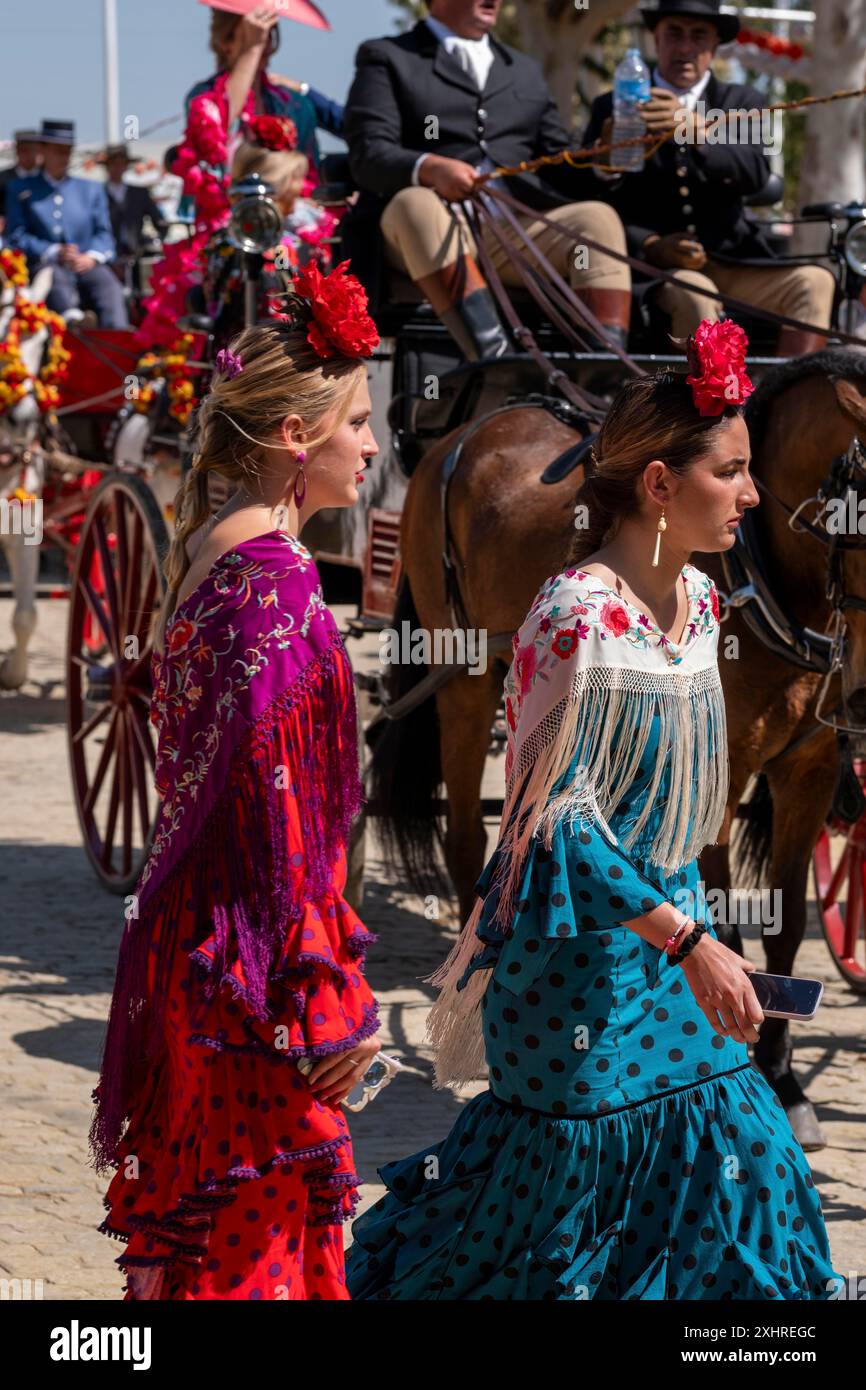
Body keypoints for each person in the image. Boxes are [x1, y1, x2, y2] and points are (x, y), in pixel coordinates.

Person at [346, 319, 842, 1300]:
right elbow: (557, 827)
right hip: (578, 974)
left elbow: (679, 809)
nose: (752, 494)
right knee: (554, 1238)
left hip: (672, 963)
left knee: (743, 1177)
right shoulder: (574, 614)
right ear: (658, 486)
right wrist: (693, 942)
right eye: (730, 471)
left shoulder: (701, 607)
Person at [90, 262, 382, 1300]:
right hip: (247, 973)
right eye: (358, 421)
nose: (374, 443)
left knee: (197, 1236)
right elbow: (282, 827)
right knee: (255, 1249)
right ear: (298, 438)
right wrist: (324, 999)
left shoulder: (218, 554)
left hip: (195, 949)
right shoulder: (281, 584)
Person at [343, 0, 633, 360]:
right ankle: (496, 363)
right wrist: (431, 168)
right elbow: (368, 154)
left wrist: (601, 161)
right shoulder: (388, 57)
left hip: (508, 232)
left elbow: (559, 160)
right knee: (417, 204)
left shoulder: (523, 69)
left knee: (596, 219)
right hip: (417, 236)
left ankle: (604, 372)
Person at [581, 1, 835, 356]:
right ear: (656, 38)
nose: (685, 47)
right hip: (655, 268)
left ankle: (783, 402)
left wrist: (693, 130)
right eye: (674, 33)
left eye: (699, 35)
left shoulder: (741, 101)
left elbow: (754, 172)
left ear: (715, 46)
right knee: (695, 292)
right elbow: (592, 199)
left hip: (734, 260)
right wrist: (651, 244)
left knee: (816, 282)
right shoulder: (614, 105)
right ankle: (708, 409)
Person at [6, 119, 128, 328]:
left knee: (109, 287)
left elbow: (104, 234)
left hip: (85, 263)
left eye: (67, 151)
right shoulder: (20, 189)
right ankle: (73, 325)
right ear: (43, 150)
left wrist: (91, 257)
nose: (64, 157)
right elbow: (16, 236)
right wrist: (53, 251)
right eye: (57, 150)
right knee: (54, 280)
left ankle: (118, 343)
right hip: (45, 265)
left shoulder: (90, 189)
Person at [101, 143, 167, 259]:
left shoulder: (139, 193)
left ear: (126, 165)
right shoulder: (98, 193)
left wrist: (154, 242)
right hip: (105, 254)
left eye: (121, 163)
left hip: (135, 254)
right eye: (113, 163)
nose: (117, 168)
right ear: (107, 166)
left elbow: (160, 221)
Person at [0, 128, 41, 230]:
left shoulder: (46, 178)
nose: (29, 155)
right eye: (24, 150)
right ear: (17, 151)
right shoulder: (3, 179)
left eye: (32, 150)